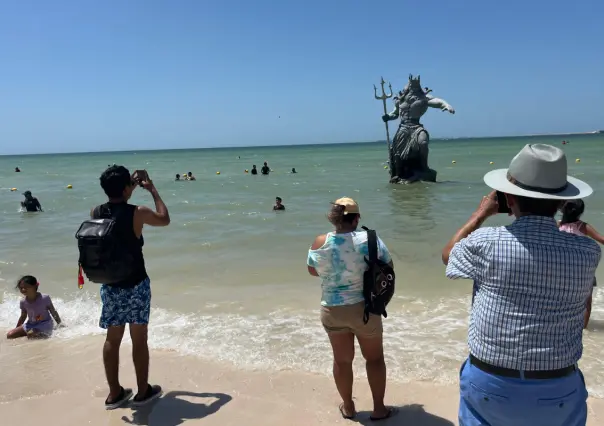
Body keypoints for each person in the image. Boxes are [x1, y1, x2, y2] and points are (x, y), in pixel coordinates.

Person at [442, 144, 600, 426]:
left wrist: (481, 214)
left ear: (509, 199)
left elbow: (448, 255)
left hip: (491, 381)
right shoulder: (587, 251)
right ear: (563, 202)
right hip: (558, 385)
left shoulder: (486, 242)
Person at [307, 198, 394, 421]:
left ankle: (348, 407)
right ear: (356, 218)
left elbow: (313, 271)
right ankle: (378, 409)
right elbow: (388, 267)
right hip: (365, 309)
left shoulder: (319, 242)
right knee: (374, 359)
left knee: (342, 361)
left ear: (335, 218)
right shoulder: (370, 239)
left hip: (332, 309)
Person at [94, 165, 170, 409]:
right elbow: (164, 219)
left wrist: (132, 185)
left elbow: (118, 205)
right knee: (139, 339)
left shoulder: (96, 211)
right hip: (136, 284)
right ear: (127, 188)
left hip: (110, 285)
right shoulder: (139, 212)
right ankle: (142, 391)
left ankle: (114, 393)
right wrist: (152, 189)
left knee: (112, 338)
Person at [559, 199, 604, 328]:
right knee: (586, 302)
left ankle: (565, 324)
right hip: (583, 269)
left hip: (563, 270)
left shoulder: (557, 225)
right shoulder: (582, 226)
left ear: (562, 210)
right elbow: (601, 239)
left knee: (563, 299)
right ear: (581, 211)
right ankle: (583, 329)